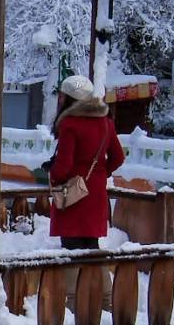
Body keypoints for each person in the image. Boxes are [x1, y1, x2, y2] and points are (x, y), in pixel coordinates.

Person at [48, 75, 124, 250]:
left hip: (74, 193)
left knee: (71, 251)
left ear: (70, 99)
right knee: (91, 249)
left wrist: (53, 175)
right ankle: (95, 279)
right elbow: (118, 157)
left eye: (62, 96)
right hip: (96, 194)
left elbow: (64, 167)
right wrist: (101, 172)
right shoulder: (106, 122)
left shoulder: (70, 124)